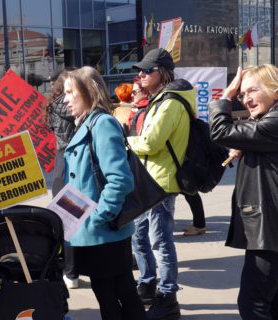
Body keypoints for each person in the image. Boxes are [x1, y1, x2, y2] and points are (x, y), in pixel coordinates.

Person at [63, 66, 145, 320]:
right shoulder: (87, 123)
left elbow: (120, 179)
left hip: (104, 231)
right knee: (109, 294)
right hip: (95, 231)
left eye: (69, 92)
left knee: (120, 295)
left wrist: (100, 216)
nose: (65, 99)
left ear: (88, 92)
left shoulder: (102, 124)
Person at [128, 48, 195, 320]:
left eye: (147, 70)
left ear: (163, 73)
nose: (140, 75)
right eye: (140, 70)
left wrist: (125, 141)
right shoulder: (160, 99)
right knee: (138, 236)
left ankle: (168, 296)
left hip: (161, 181)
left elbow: (151, 143)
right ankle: (147, 284)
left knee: (160, 241)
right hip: (149, 178)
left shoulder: (171, 102)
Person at [209, 64, 278, 320]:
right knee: (269, 302)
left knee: (253, 303)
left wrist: (226, 96)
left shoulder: (273, 122)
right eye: (241, 94)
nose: (245, 99)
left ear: (275, 91)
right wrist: (248, 145)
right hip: (269, 228)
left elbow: (220, 130)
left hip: (270, 230)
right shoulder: (267, 121)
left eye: (252, 91)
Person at [46, 70, 78, 289]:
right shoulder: (71, 107)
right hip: (72, 158)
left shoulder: (52, 107)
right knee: (73, 217)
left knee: (68, 217)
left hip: (61, 159)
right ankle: (72, 270)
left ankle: (70, 271)